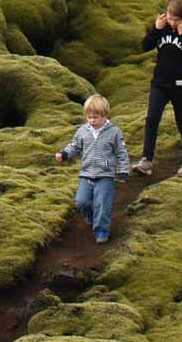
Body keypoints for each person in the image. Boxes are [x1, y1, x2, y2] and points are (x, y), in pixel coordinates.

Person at [132, 0, 182, 176]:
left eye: (175, 20)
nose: (171, 22)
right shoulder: (162, 27)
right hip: (160, 83)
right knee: (152, 119)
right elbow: (145, 46)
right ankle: (146, 160)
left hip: (181, 86)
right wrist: (156, 29)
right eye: (170, 17)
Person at [54, 93, 130, 243]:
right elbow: (74, 146)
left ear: (105, 115)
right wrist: (64, 154)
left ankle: (101, 230)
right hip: (86, 174)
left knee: (102, 203)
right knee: (81, 201)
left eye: (95, 117)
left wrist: (123, 170)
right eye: (89, 117)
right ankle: (91, 218)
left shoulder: (114, 132)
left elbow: (121, 152)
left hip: (105, 175)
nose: (92, 120)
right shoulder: (83, 131)